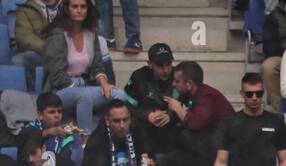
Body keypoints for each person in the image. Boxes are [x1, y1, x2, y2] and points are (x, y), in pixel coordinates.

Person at [42, 0, 127, 132]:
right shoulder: (58, 34)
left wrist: (104, 83)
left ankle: (112, 137)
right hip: (60, 89)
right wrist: (76, 88)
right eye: (75, 6)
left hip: (87, 85)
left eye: (83, 6)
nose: (79, 10)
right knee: (85, 96)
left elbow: (97, 65)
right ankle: (85, 141)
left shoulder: (91, 33)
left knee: (119, 95)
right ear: (67, 9)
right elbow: (56, 73)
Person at [161, 61, 236, 166]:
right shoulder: (191, 94)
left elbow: (196, 123)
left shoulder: (207, 96)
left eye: (177, 81)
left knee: (188, 136)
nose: (173, 84)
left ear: (189, 84)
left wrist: (179, 109)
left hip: (227, 148)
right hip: (212, 144)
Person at [124, 41, 179, 157]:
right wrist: (147, 115)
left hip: (172, 124)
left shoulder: (179, 76)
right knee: (133, 123)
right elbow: (128, 105)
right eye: (160, 66)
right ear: (150, 64)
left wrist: (170, 114)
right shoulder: (139, 77)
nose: (165, 70)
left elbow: (189, 105)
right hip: (145, 124)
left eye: (168, 64)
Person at [14, 0, 62, 93]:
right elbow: (24, 36)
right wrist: (49, 48)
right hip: (41, 53)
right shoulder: (25, 10)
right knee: (20, 60)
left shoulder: (70, 5)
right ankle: (32, 98)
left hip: (68, 52)